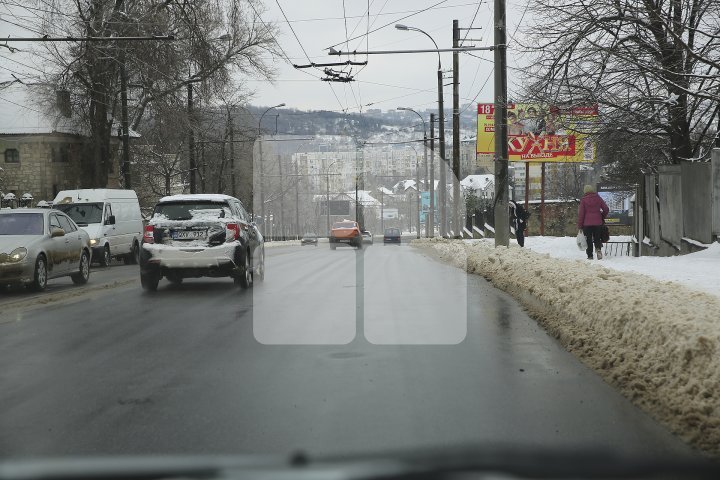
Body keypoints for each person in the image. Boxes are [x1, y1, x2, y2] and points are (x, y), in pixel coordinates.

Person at [577, 184, 609, 259]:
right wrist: (602, 216)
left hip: (587, 224)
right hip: (597, 223)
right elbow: (606, 209)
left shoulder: (583, 200)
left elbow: (581, 214)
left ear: (585, 191)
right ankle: (598, 250)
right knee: (597, 238)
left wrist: (580, 225)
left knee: (588, 239)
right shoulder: (598, 198)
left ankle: (590, 255)